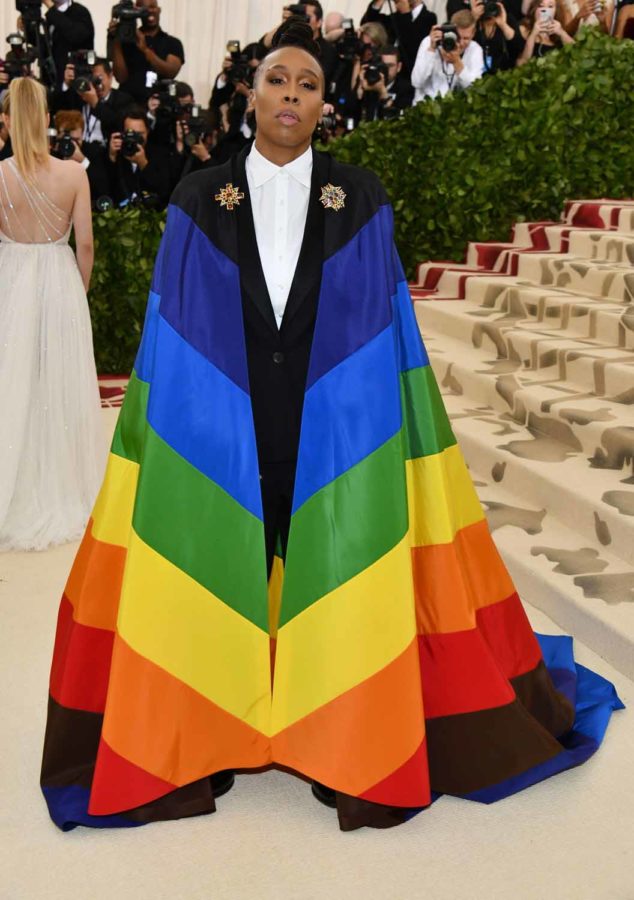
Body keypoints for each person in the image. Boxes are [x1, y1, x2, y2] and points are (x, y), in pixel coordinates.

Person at [39, 17, 622, 833]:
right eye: (278, 79)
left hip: (335, 422)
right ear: (251, 93)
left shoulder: (362, 197)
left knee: (334, 560)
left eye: (308, 84)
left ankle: (336, 727)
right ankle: (214, 725)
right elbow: (168, 335)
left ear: (324, 105)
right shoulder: (200, 197)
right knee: (225, 554)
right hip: (226, 421)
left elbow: (388, 326)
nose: (291, 94)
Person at [0, 77, 103, 550]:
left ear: (6, 120)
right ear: (44, 119)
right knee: (57, 385)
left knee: (11, 382)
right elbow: (84, 242)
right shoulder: (74, 174)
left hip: (11, 278)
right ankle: (60, 482)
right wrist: (75, 292)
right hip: (59, 280)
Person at [109, 0, 185, 103]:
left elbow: (171, 72)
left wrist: (145, 50)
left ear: (159, 10)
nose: (150, 11)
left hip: (159, 105)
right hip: (130, 104)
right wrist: (117, 39)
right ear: (136, 12)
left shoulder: (172, 42)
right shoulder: (127, 42)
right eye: (144, 8)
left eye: (153, 7)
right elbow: (120, 78)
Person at [107, 106, 172, 209]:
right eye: (130, 133)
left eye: (140, 134)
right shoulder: (115, 152)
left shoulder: (160, 154)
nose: (135, 139)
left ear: (148, 132)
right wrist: (112, 158)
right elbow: (104, 190)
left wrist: (144, 164)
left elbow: (163, 192)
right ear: (122, 133)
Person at [411, 10, 484, 101]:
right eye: (458, 37)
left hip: (455, 109)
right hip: (425, 106)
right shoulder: (429, 42)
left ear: (473, 34)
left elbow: (476, 89)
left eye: (466, 38)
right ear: (451, 29)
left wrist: (457, 63)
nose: (461, 43)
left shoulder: (475, 49)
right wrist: (431, 51)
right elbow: (416, 82)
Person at [53, 108, 111, 206]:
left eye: (76, 140)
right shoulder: (52, 153)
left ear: (82, 134)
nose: (72, 145)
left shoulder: (92, 151)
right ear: (58, 136)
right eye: (67, 139)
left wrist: (83, 161)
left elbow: (103, 190)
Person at [41, 0, 95, 90]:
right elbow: (46, 45)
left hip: (77, 82)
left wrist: (51, 8)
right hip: (54, 82)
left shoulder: (80, 12)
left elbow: (75, 35)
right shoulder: (51, 16)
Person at [472, 0, 525, 72]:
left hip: (503, 73)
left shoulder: (507, 19)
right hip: (475, 74)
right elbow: (463, 44)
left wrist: (503, 25)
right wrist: (473, 20)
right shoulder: (470, 20)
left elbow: (519, 48)